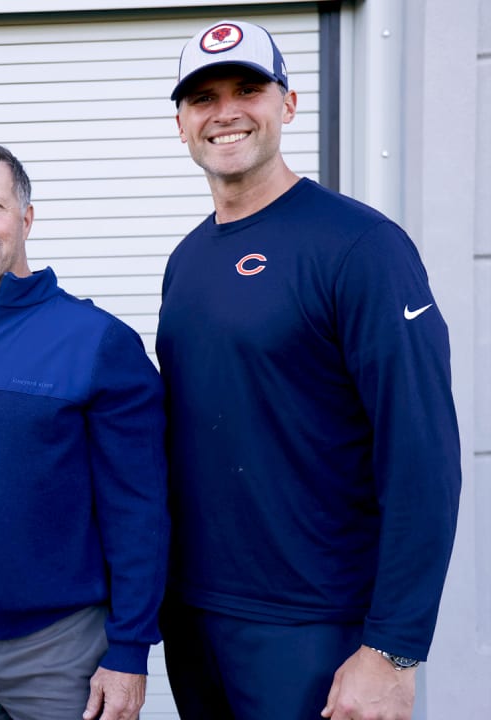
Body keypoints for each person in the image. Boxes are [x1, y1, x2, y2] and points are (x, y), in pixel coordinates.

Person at [157, 20, 462, 720]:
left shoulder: (360, 247)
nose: (225, 111)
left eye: (247, 89)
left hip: (315, 629)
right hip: (198, 620)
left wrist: (393, 648)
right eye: (203, 97)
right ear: (181, 123)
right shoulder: (187, 262)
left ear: (288, 105)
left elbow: (424, 457)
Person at [0, 136, 169, 720]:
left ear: (25, 218)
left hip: (63, 649)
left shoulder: (98, 341)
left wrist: (129, 650)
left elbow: (141, 510)